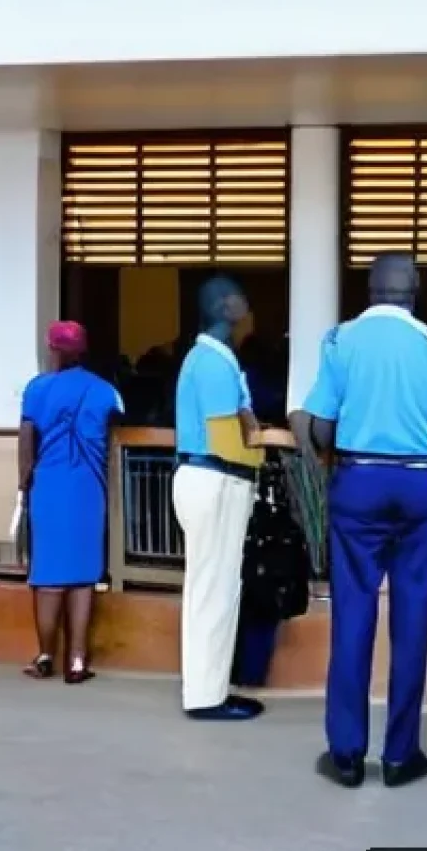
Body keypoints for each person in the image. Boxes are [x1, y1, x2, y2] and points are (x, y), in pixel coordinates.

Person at [290, 253, 427, 788]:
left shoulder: (341, 341)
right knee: (413, 621)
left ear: (370, 288)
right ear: (415, 289)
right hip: (416, 485)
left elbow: (323, 430)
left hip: (359, 482)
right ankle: (400, 756)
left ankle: (347, 756)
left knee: (353, 617)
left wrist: (305, 422)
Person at [173, 276, 265, 721]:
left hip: (212, 477)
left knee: (215, 588)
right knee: (214, 590)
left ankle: (209, 689)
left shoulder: (213, 357)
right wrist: (263, 444)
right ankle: (207, 696)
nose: (246, 303)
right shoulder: (211, 361)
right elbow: (228, 433)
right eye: (239, 296)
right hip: (215, 477)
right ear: (223, 306)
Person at [13, 321, 123, 683]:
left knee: (47, 575)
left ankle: (45, 655)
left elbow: (26, 440)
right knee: (83, 578)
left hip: (47, 487)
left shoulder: (37, 389)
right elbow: (114, 431)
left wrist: (23, 482)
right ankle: (77, 662)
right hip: (89, 489)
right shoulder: (104, 390)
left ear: (52, 349)